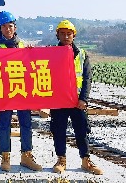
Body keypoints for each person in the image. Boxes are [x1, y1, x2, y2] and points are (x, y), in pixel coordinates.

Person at [50, 20, 103, 175]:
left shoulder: (82, 55)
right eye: (62, 34)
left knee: (82, 130)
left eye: (69, 34)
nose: (66, 37)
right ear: (58, 35)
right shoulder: (51, 53)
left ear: (74, 36)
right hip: (59, 100)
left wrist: (83, 99)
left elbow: (87, 78)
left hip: (77, 101)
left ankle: (86, 160)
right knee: (58, 130)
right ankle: (61, 160)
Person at [0, 11, 42, 172]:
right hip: (4, 91)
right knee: (4, 124)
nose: (8, 29)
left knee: (26, 123)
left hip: (21, 90)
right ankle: (5, 157)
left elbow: (32, 65)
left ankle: (26, 156)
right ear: (0, 28)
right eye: (4, 27)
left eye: (10, 26)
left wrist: (32, 52)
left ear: (15, 27)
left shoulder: (23, 45)